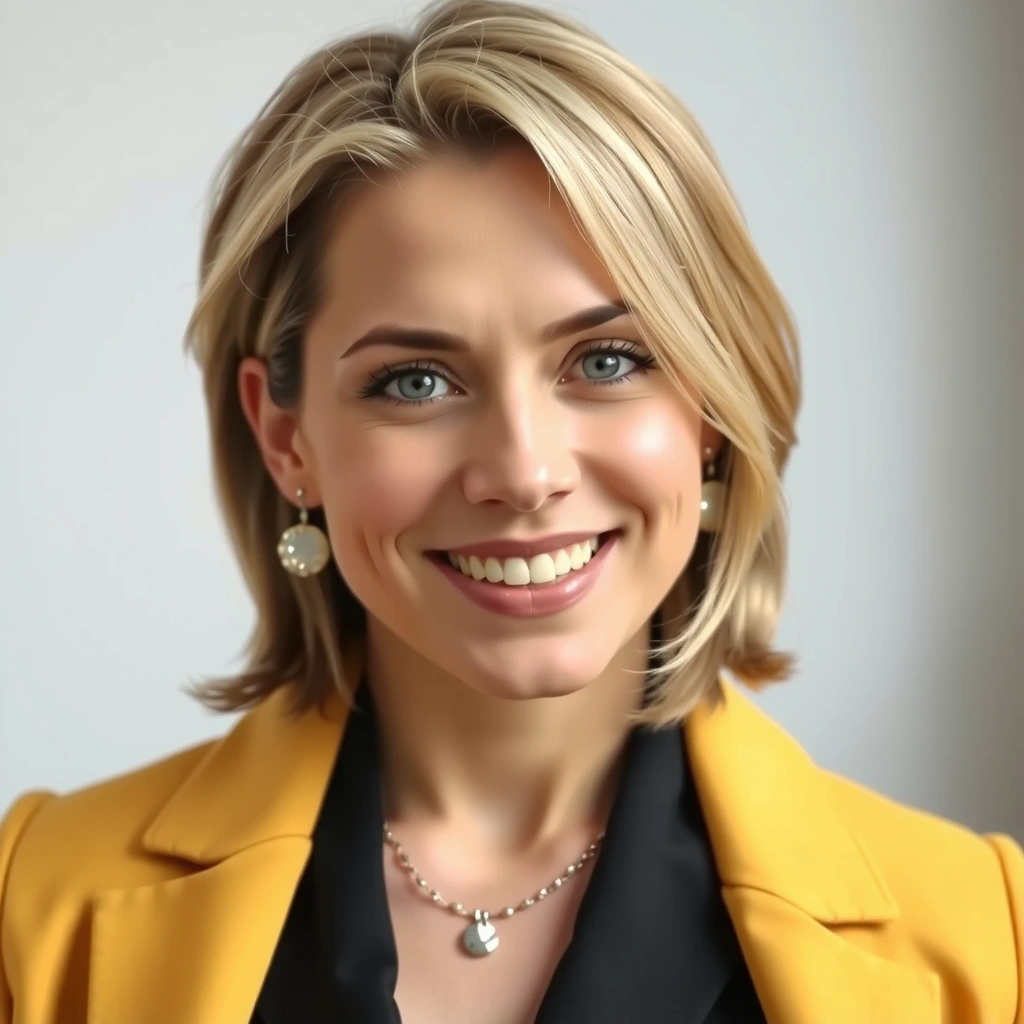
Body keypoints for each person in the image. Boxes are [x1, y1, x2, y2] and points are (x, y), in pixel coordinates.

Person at [1, 1, 1021, 1021]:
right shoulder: (33, 906)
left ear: (708, 410)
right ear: (287, 438)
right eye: (415, 381)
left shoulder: (990, 932)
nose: (525, 472)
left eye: (607, 360)